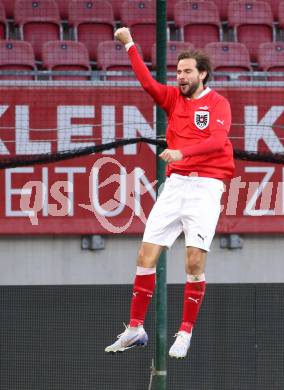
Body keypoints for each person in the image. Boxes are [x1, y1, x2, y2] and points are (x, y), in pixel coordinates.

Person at [105, 27, 235, 359]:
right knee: (145, 256)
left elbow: (218, 142)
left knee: (193, 261)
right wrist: (130, 44)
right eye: (178, 71)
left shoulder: (218, 103)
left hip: (206, 186)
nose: (180, 76)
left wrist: (182, 153)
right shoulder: (172, 99)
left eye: (187, 71)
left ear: (202, 73)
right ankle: (135, 329)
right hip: (176, 186)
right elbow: (148, 83)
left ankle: (185, 332)